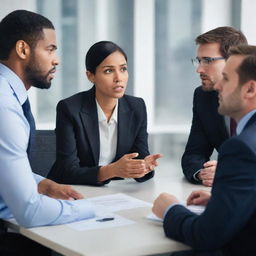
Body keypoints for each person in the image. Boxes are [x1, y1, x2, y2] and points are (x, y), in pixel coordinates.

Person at [0, 10, 95, 255]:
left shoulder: (9, 95)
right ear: (23, 50)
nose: (57, 60)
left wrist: (43, 183)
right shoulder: (4, 105)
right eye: (50, 49)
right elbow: (30, 212)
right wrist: (96, 209)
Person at [153, 45, 256, 256]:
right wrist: (227, 200)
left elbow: (206, 235)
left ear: (250, 89)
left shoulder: (241, 147)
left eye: (226, 78)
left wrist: (170, 209)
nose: (218, 85)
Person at [48, 41, 162, 186]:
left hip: (114, 193)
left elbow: (140, 156)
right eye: (108, 71)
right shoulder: (70, 108)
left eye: (123, 69)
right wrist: (111, 171)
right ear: (91, 76)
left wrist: (142, 167)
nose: (118, 78)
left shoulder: (136, 107)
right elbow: (67, 171)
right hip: (72, 191)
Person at [182, 27, 248, 186]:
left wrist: (232, 170)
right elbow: (193, 155)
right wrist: (203, 174)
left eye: (207, 60)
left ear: (233, 61)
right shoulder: (204, 96)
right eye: (199, 61)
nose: (199, 69)